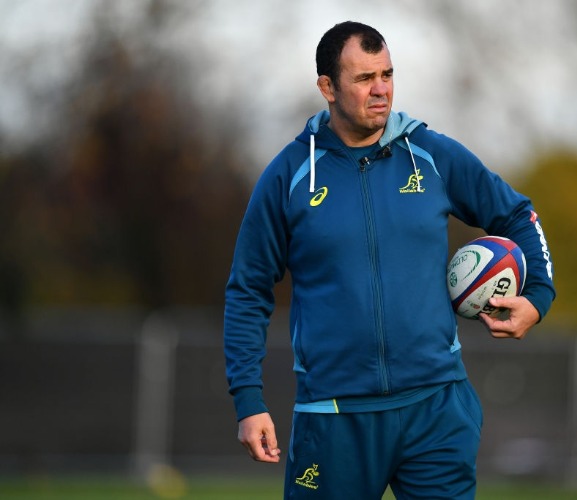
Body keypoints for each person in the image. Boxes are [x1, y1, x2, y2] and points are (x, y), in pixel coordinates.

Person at [224, 21, 555, 499]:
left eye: (387, 74)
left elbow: (519, 214)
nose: (381, 90)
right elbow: (247, 289)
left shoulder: (432, 155)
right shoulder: (289, 175)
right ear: (327, 88)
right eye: (363, 79)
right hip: (334, 417)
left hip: (436, 408)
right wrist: (248, 400)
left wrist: (538, 297)